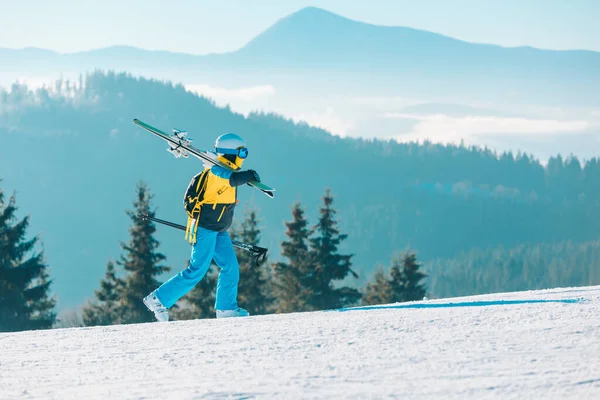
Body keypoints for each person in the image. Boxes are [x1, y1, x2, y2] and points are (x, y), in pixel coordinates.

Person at [143, 132, 261, 322]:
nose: (243, 158)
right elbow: (231, 178)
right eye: (242, 153)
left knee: (230, 267)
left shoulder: (225, 169)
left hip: (219, 230)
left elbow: (232, 178)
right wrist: (249, 175)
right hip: (205, 229)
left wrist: (245, 176)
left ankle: (226, 309)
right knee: (197, 270)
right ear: (231, 153)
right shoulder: (216, 171)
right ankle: (158, 299)